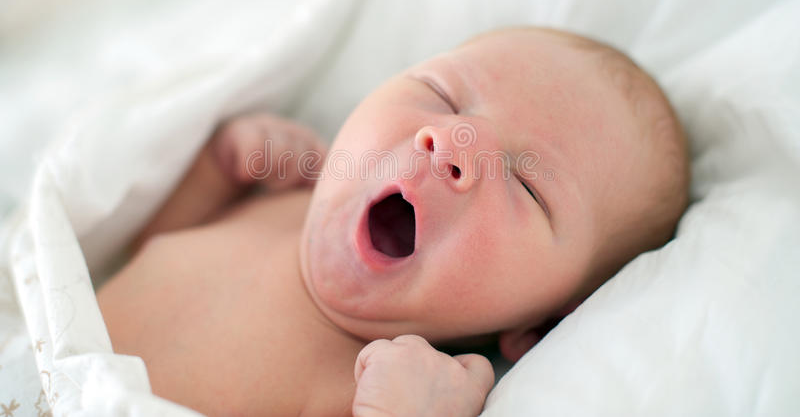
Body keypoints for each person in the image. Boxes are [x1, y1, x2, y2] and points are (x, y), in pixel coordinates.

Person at [96, 27, 690, 416]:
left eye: (528, 186)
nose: (452, 141)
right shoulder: (278, 204)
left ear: (539, 325)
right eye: (443, 96)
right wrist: (212, 172)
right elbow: (150, 252)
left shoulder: (379, 388)